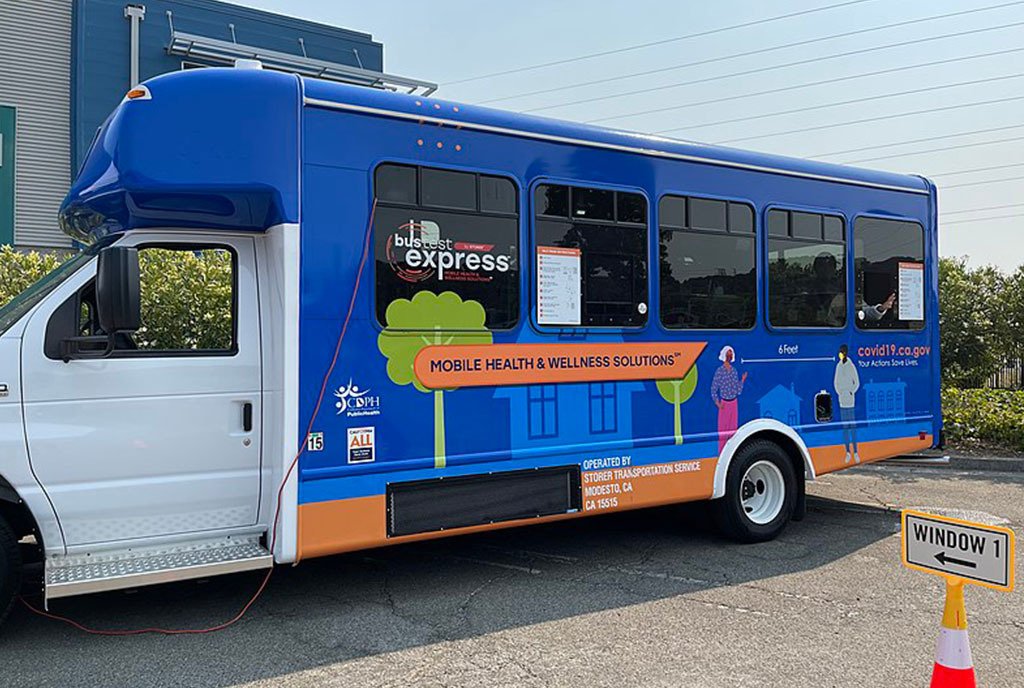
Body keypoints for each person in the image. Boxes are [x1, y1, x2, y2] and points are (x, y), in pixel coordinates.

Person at [711, 345, 747, 454]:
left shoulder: (734, 371)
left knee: (733, 433)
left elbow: (737, 390)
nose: (730, 356)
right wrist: (718, 403)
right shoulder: (720, 371)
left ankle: (731, 454)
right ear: (724, 355)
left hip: (734, 403)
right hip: (724, 404)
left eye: (731, 354)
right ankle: (721, 455)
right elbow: (713, 388)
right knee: (723, 432)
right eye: (728, 354)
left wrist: (742, 380)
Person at [833, 344, 861, 464]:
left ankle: (855, 451)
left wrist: (851, 391)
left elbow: (857, 382)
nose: (840, 354)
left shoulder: (851, 366)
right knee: (845, 428)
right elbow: (836, 382)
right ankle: (847, 452)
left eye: (841, 352)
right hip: (842, 400)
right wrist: (840, 392)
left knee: (852, 427)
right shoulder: (838, 366)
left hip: (850, 399)